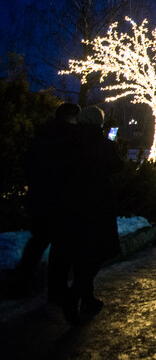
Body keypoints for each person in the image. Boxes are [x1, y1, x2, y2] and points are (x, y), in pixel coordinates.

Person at [55, 106, 123, 324]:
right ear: (99, 123)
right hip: (97, 206)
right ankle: (74, 296)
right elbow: (117, 167)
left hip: (70, 205)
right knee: (94, 254)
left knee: (78, 252)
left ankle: (86, 299)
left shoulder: (64, 142)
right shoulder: (103, 144)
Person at [12, 102, 80, 300]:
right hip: (62, 200)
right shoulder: (70, 137)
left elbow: (27, 165)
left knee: (38, 240)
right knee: (61, 245)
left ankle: (20, 282)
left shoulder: (41, 136)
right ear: (72, 117)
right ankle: (56, 289)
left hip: (39, 198)